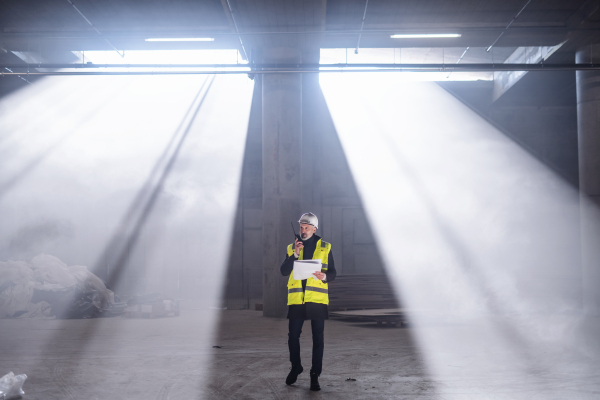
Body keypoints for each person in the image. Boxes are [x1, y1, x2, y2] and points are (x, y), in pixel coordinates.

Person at [280, 212, 337, 391]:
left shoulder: (325, 247)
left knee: (318, 339)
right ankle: (296, 367)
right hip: (297, 299)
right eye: (301, 227)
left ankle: (315, 375)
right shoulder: (292, 247)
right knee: (293, 337)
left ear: (314, 229)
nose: (303, 231)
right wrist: (295, 255)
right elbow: (283, 271)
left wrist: (325, 276)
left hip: (317, 300)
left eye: (306, 228)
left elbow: (333, 272)